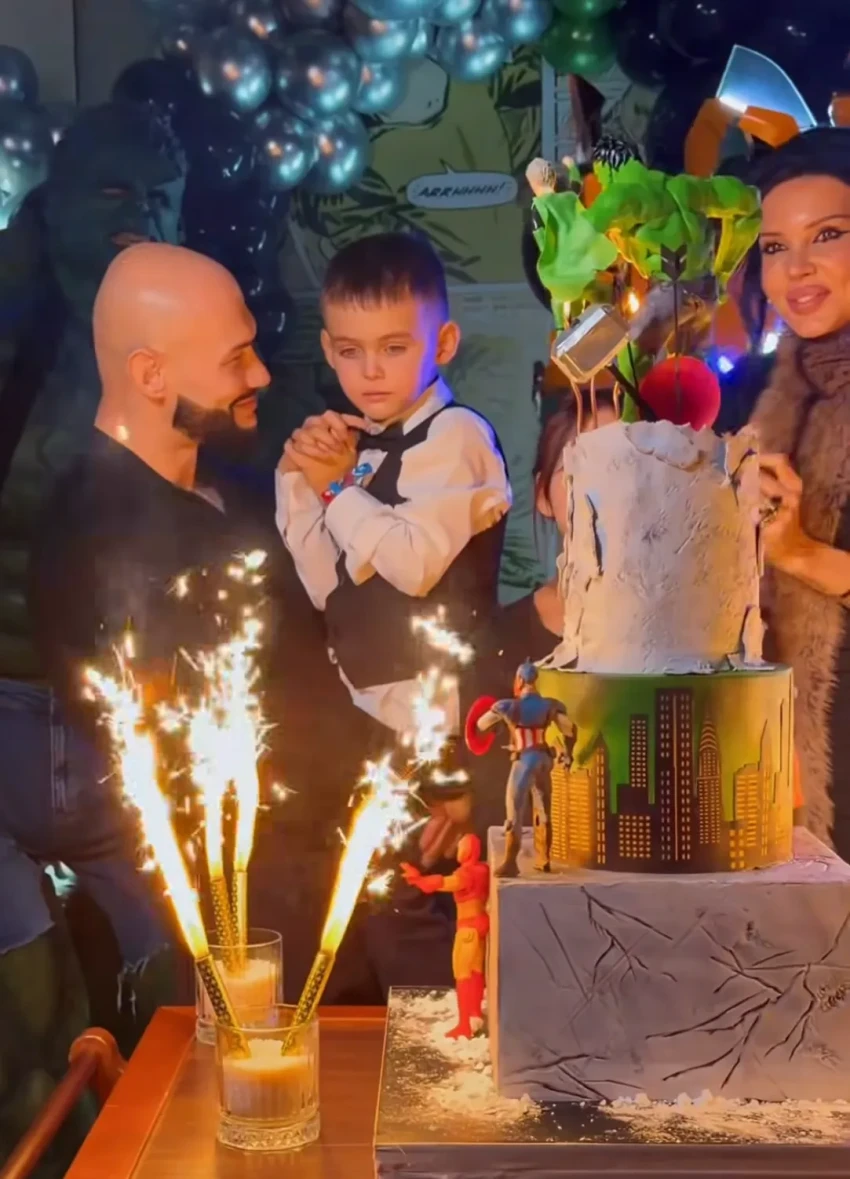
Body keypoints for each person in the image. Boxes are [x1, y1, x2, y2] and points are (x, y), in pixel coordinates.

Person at [275, 231, 511, 741]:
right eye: (350, 350)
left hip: (445, 719)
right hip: (363, 715)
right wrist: (296, 476)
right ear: (328, 350)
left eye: (394, 347)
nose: (371, 371)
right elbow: (326, 588)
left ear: (443, 344)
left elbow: (412, 566)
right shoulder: (359, 445)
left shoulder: (458, 434)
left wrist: (336, 490)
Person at [738, 127, 850, 858]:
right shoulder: (767, 396)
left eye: (828, 235)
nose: (796, 268)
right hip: (781, 767)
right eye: (775, 246)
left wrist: (801, 553)